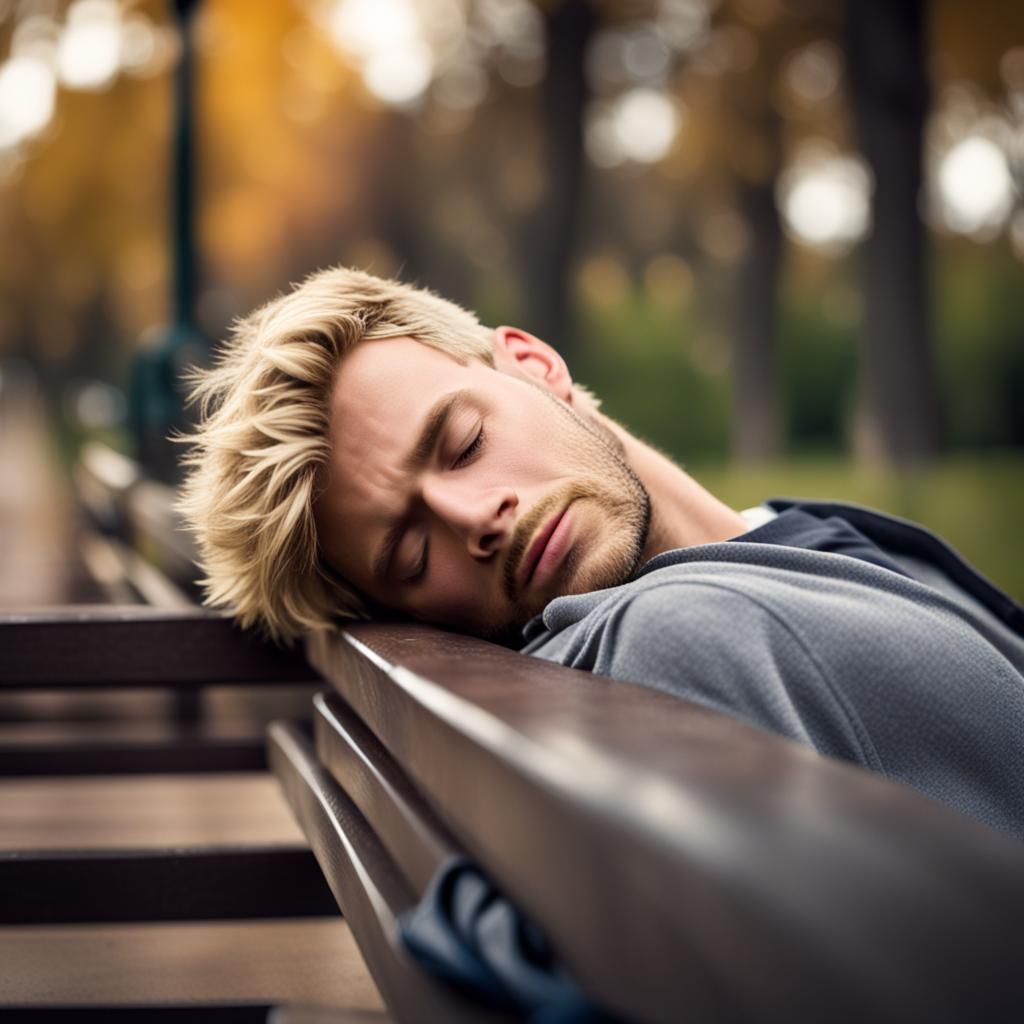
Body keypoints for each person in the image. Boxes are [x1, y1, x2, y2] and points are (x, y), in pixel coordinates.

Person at [179, 266, 1024, 840]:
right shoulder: (673, 643)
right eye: (408, 555)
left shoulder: (777, 542)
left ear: (536, 366)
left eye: (464, 442)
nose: (478, 519)